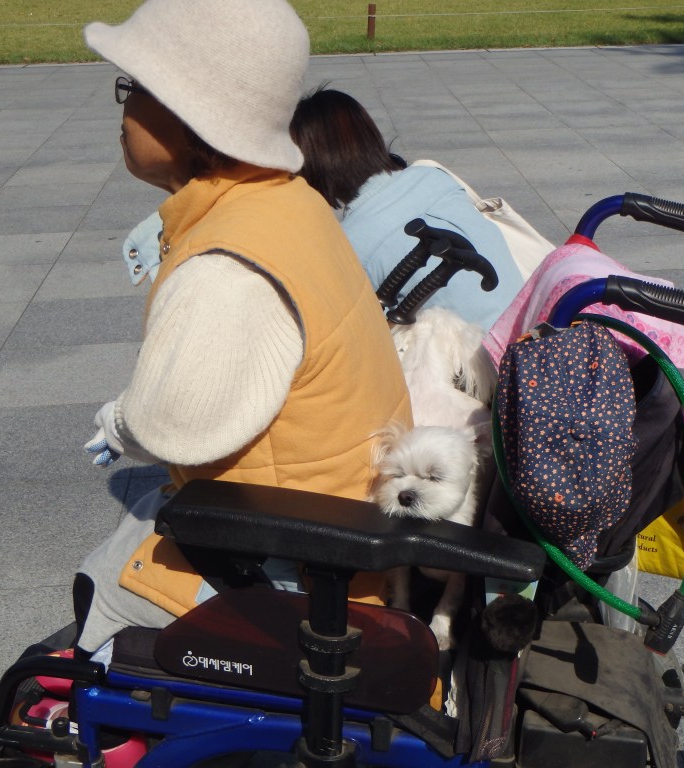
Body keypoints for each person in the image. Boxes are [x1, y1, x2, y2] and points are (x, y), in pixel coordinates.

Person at [72, 0, 412, 657]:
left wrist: (119, 421)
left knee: (98, 603)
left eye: (133, 87)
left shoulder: (228, 264)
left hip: (291, 567)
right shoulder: (288, 201)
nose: (122, 106)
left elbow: (178, 423)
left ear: (188, 110)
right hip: (344, 528)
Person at [290, 88, 525, 331]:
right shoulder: (434, 177)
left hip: (475, 363)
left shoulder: (349, 243)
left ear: (310, 166)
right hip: (525, 330)